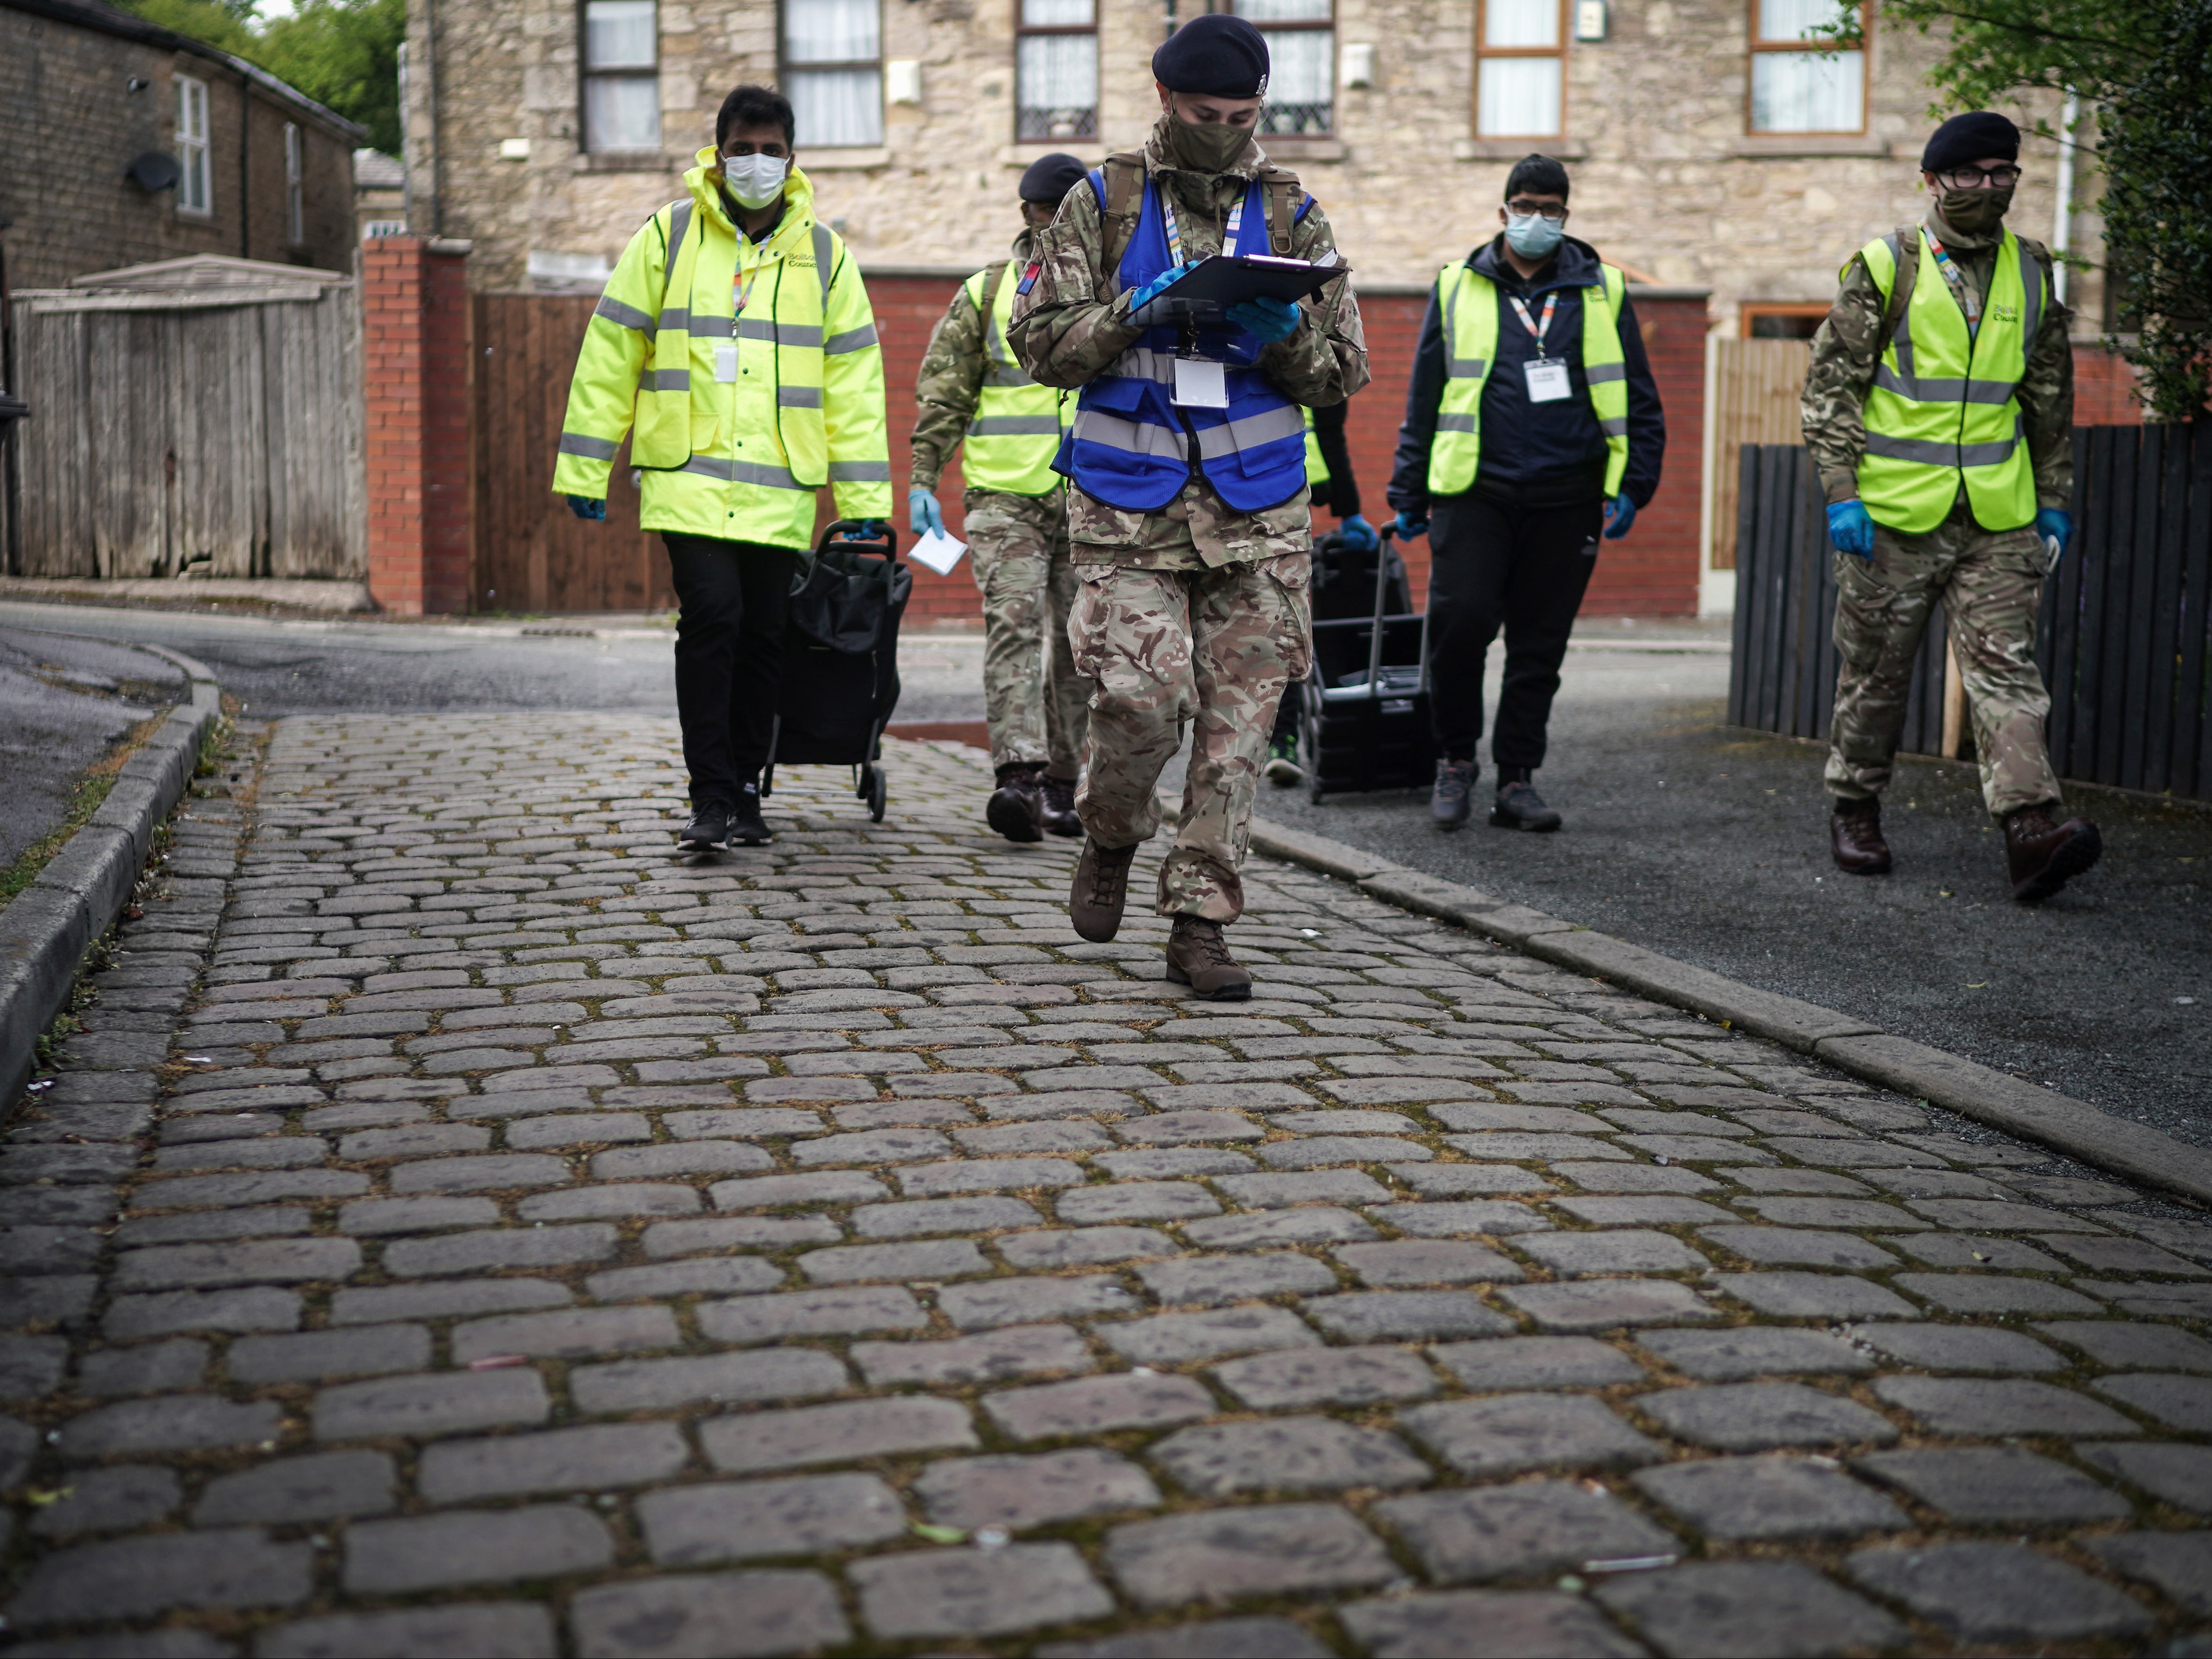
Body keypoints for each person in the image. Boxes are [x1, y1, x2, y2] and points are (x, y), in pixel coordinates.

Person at [1010, 12, 1367, 1000]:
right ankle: (1111, 831)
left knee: (1239, 730)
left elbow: (1344, 373)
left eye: (1244, 113)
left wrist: (1285, 333)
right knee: (1141, 700)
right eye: (1206, 112)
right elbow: (1036, 344)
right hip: (1130, 510)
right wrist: (1137, 312)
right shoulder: (1102, 202)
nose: (1226, 128)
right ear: (1166, 100)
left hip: (1259, 513)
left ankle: (1199, 919)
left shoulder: (1295, 215)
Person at [552, 83, 891, 853]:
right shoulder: (669, 238)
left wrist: (867, 494)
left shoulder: (827, 256)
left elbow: (855, 382)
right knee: (714, 620)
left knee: (766, 635)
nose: (758, 163)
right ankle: (708, 795)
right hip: (689, 477)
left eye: (773, 150)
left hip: (778, 487)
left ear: (793, 159)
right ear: (717, 152)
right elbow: (612, 352)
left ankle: (745, 789)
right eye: (744, 148)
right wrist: (584, 466)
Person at [1804, 110, 2097, 902]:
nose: (1990, 187)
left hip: (1998, 516)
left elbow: (2049, 401)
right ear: (1933, 181)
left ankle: (2032, 829)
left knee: (2006, 672)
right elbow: (1832, 391)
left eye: (2004, 173)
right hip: (1892, 515)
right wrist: (1842, 493)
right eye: (1972, 173)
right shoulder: (1884, 265)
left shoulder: (2033, 271)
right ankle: (1855, 804)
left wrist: (2055, 500)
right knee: (1877, 673)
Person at [1387, 153, 1664, 833]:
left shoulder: (1603, 289)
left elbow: (1639, 397)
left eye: (1549, 209)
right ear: (1502, 210)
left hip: (1567, 495)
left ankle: (1517, 778)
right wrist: (1408, 487)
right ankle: (1455, 760)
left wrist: (1635, 484)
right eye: (1524, 206)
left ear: (1566, 216)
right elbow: (1425, 395)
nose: (1535, 220)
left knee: (1539, 644)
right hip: (1473, 492)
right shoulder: (1456, 286)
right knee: (1459, 629)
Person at [910, 153, 1091, 843]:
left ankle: (1062, 784)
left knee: (1081, 643)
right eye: (1053, 217)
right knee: (1014, 628)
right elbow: (943, 391)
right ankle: (1017, 776)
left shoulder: (1110, 291)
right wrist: (923, 479)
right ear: (1029, 217)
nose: (1063, 230)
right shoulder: (987, 293)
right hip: (1003, 494)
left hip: (1091, 494)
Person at [1265, 398, 1374, 785]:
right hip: (1222, 487)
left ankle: (1282, 740)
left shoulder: (1309, 343)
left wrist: (1350, 509)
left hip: (1284, 495)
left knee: (1282, 623)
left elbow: (1328, 425)